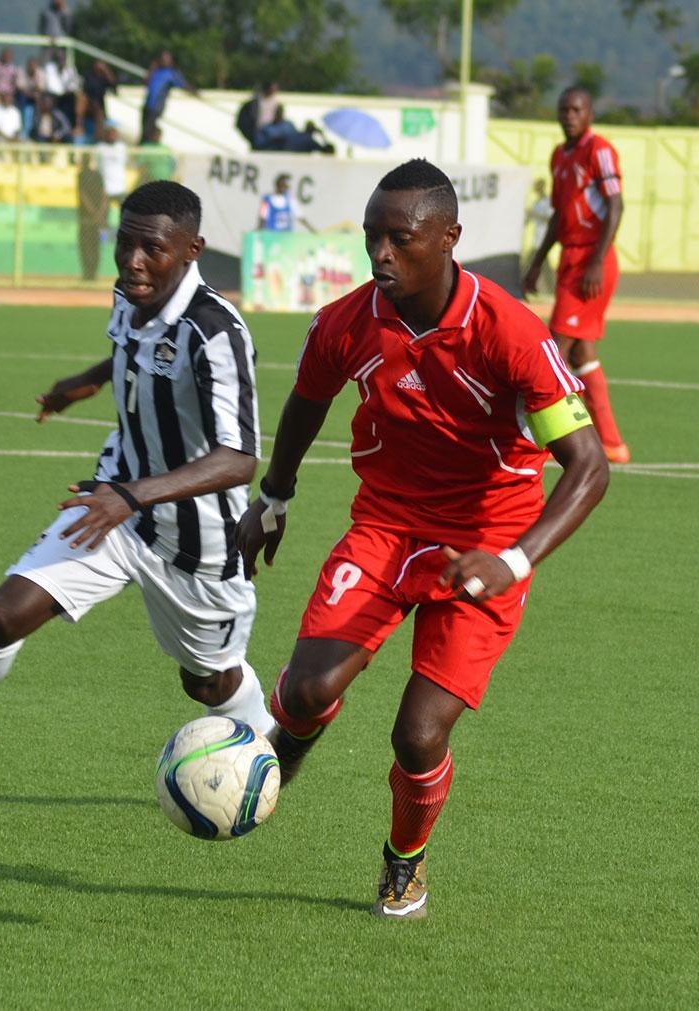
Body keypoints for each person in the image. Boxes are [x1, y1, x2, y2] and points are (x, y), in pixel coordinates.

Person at [235, 158, 610, 920]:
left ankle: (404, 862)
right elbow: (307, 402)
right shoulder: (347, 321)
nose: (380, 255)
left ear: (448, 238)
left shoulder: (508, 330)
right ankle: (290, 738)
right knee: (307, 688)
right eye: (372, 236)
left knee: (416, 735)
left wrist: (515, 558)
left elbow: (589, 466)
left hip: (484, 545)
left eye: (399, 239)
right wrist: (274, 495)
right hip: (386, 525)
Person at [0, 179, 275, 787]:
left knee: (207, 681)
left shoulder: (215, 331)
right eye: (125, 244)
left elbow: (239, 459)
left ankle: (269, 751)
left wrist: (133, 495)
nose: (133, 262)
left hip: (199, 542)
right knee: (1, 617)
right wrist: (86, 382)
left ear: (193, 248)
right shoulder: (130, 292)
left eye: (153, 249)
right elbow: (132, 354)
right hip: (113, 505)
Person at [522, 86, 629, 464]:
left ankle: (552, 435)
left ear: (589, 115)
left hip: (591, 261)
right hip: (570, 257)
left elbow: (616, 205)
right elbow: (558, 215)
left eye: (576, 109)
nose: (568, 115)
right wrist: (537, 263)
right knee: (582, 353)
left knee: (554, 348)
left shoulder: (597, 150)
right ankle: (612, 442)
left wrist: (598, 260)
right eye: (563, 109)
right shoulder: (560, 155)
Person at [140, 51, 196, 144]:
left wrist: (195, 91)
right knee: (145, 131)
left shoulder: (172, 73)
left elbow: (183, 85)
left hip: (156, 107)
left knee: (148, 132)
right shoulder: (155, 71)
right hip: (147, 106)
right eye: (163, 59)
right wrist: (152, 68)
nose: (165, 61)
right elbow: (145, 82)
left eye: (167, 59)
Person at [76, 152, 107, 280]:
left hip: (86, 216)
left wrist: (94, 211)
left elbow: (82, 195)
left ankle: (88, 273)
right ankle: (92, 273)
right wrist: (100, 212)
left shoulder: (81, 175)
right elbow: (104, 195)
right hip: (96, 216)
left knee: (86, 245)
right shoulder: (97, 175)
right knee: (94, 245)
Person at [523, 178, 553, 293]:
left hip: (544, 239)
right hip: (536, 239)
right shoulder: (536, 203)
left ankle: (547, 289)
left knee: (542, 267)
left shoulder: (548, 201)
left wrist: (535, 214)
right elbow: (529, 220)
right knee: (538, 266)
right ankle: (532, 287)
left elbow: (549, 219)